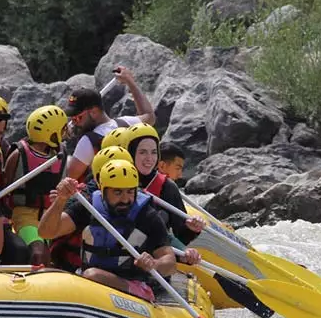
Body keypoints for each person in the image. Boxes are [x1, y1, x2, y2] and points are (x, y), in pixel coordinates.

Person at [38, 160, 176, 302]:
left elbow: (170, 262)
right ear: (103, 191)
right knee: (45, 274)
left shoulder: (146, 216)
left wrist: (154, 264)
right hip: (88, 280)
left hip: (131, 285)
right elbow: (46, 232)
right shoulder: (89, 207)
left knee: (93, 275)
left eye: (130, 191)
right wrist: (61, 200)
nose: (125, 199)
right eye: (118, 192)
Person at [119, 123, 205, 263]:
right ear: (130, 151)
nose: (149, 158)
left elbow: (180, 235)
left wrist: (191, 229)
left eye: (153, 152)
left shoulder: (167, 187)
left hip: (151, 260)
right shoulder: (113, 179)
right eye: (142, 152)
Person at [45, 146, 133, 272]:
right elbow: (47, 232)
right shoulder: (85, 201)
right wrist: (60, 201)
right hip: (81, 271)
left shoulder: (141, 205)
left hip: (123, 276)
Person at [62, 66, 155, 181]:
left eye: (78, 118)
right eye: (73, 118)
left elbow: (70, 176)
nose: (75, 123)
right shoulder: (126, 123)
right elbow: (149, 116)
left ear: (94, 112)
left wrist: (59, 146)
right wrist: (130, 82)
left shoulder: (88, 141)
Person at [3, 105, 68, 266]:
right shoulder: (18, 155)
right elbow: (4, 189)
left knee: (49, 255)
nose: (65, 132)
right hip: (24, 215)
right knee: (39, 252)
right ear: (51, 133)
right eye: (62, 129)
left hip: (49, 216)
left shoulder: (60, 155)